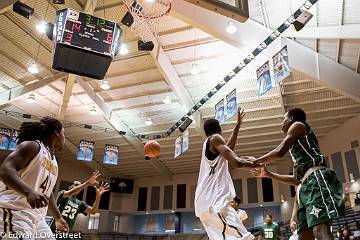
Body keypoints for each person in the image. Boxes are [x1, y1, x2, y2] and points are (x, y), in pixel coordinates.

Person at [251, 108, 345, 240]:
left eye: (284, 118)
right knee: (304, 236)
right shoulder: (298, 151)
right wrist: (268, 174)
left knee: (320, 229)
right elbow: (296, 180)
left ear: (291, 118)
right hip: (306, 186)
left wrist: (255, 161)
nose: (282, 122)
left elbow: (279, 151)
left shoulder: (298, 125)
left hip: (317, 179)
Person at [195, 107, 258, 240]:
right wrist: (257, 164)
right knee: (246, 237)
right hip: (215, 203)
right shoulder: (216, 138)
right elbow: (236, 162)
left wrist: (237, 127)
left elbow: (229, 150)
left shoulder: (210, 145)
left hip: (205, 204)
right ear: (219, 129)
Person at [0, 117, 69, 239]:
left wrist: (58, 217)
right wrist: (29, 191)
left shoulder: (53, 161)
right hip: (14, 210)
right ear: (57, 132)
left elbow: (48, 192)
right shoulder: (32, 146)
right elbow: (6, 170)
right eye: (64, 133)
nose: (65, 137)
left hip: (38, 218)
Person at [50, 171, 109, 239]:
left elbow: (93, 211)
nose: (78, 186)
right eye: (76, 184)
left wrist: (98, 196)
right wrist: (87, 183)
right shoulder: (63, 194)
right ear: (70, 186)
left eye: (79, 185)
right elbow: (70, 193)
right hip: (54, 231)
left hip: (67, 233)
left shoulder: (80, 203)